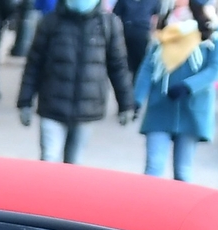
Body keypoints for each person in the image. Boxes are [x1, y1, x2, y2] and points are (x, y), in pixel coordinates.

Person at [17, 0, 133, 164]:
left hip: (86, 110)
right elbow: (34, 64)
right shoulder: (51, 22)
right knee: (49, 160)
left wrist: (126, 104)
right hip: (52, 107)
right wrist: (24, 101)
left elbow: (118, 67)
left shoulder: (108, 24)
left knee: (74, 166)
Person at [136, 0, 218, 180]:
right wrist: (136, 98)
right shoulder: (166, 27)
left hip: (192, 110)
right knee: (153, 168)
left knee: (183, 171)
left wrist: (188, 86)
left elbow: (214, 69)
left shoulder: (212, 31)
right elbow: (148, 66)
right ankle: (147, 207)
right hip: (160, 107)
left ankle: (181, 209)